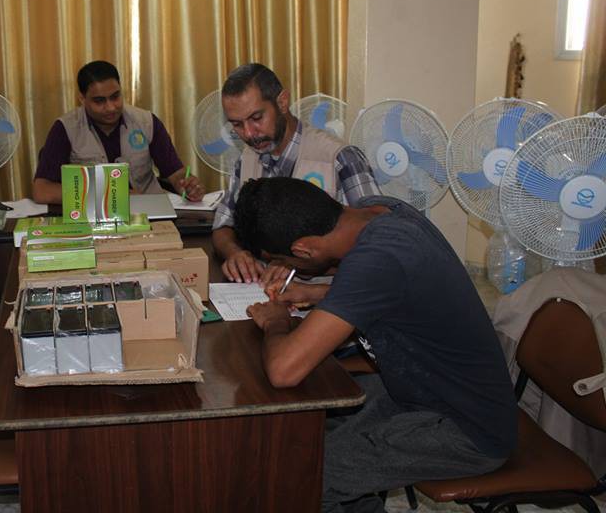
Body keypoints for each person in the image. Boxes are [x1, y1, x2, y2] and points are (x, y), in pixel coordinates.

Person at [234, 177, 517, 513]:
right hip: (419, 392)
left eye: (287, 262)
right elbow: (393, 283)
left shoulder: (379, 257)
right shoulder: (379, 211)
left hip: (465, 429)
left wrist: (276, 320)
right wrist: (318, 293)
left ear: (304, 250)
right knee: (297, 428)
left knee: (296, 478)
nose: (289, 270)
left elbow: (284, 370)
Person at [212, 63, 380, 284]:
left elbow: (379, 242)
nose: (249, 134)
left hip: (329, 293)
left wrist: (300, 266)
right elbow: (223, 225)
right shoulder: (247, 158)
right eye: (237, 125)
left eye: (256, 118)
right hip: (262, 290)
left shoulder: (340, 158)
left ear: (282, 102)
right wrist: (235, 253)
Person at [32, 61, 204, 204]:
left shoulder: (146, 122)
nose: (110, 107)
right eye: (99, 101)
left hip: (149, 212)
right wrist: (113, 195)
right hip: (93, 216)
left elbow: (176, 173)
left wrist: (187, 184)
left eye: (115, 97)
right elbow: (42, 191)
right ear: (82, 99)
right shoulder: (65, 128)